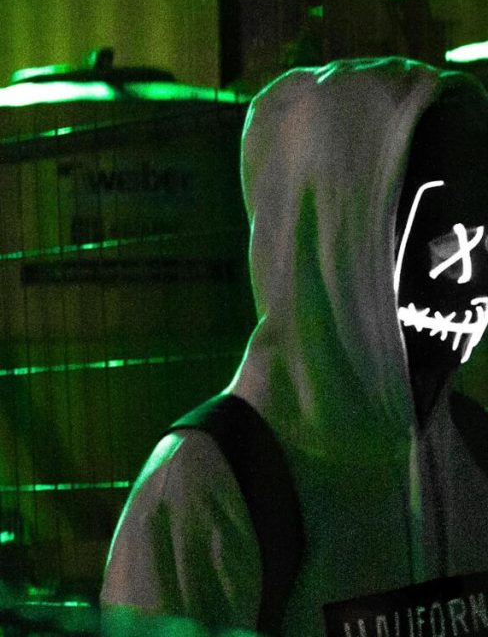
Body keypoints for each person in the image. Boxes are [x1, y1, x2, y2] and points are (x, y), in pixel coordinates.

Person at [100, 57, 488, 636]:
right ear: (331, 246)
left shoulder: (472, 453)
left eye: (484, 239)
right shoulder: (204, 489)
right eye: (440, 242)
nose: (472, 282)